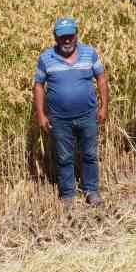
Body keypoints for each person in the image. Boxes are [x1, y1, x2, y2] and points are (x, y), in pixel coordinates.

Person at [33, 16, 109, 206]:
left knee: (90, 154)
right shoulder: (46, 58)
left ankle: (92, 190)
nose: (67, 40)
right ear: (55, 37)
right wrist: (41, 115)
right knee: (64, 156)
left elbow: (101, 79)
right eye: (62, 37)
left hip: (88, 115)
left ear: (76, 35)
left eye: (70, 36)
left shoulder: (90, 54)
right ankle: (68, 194)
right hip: (59, 119)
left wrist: (104, 107)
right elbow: (39, 86)